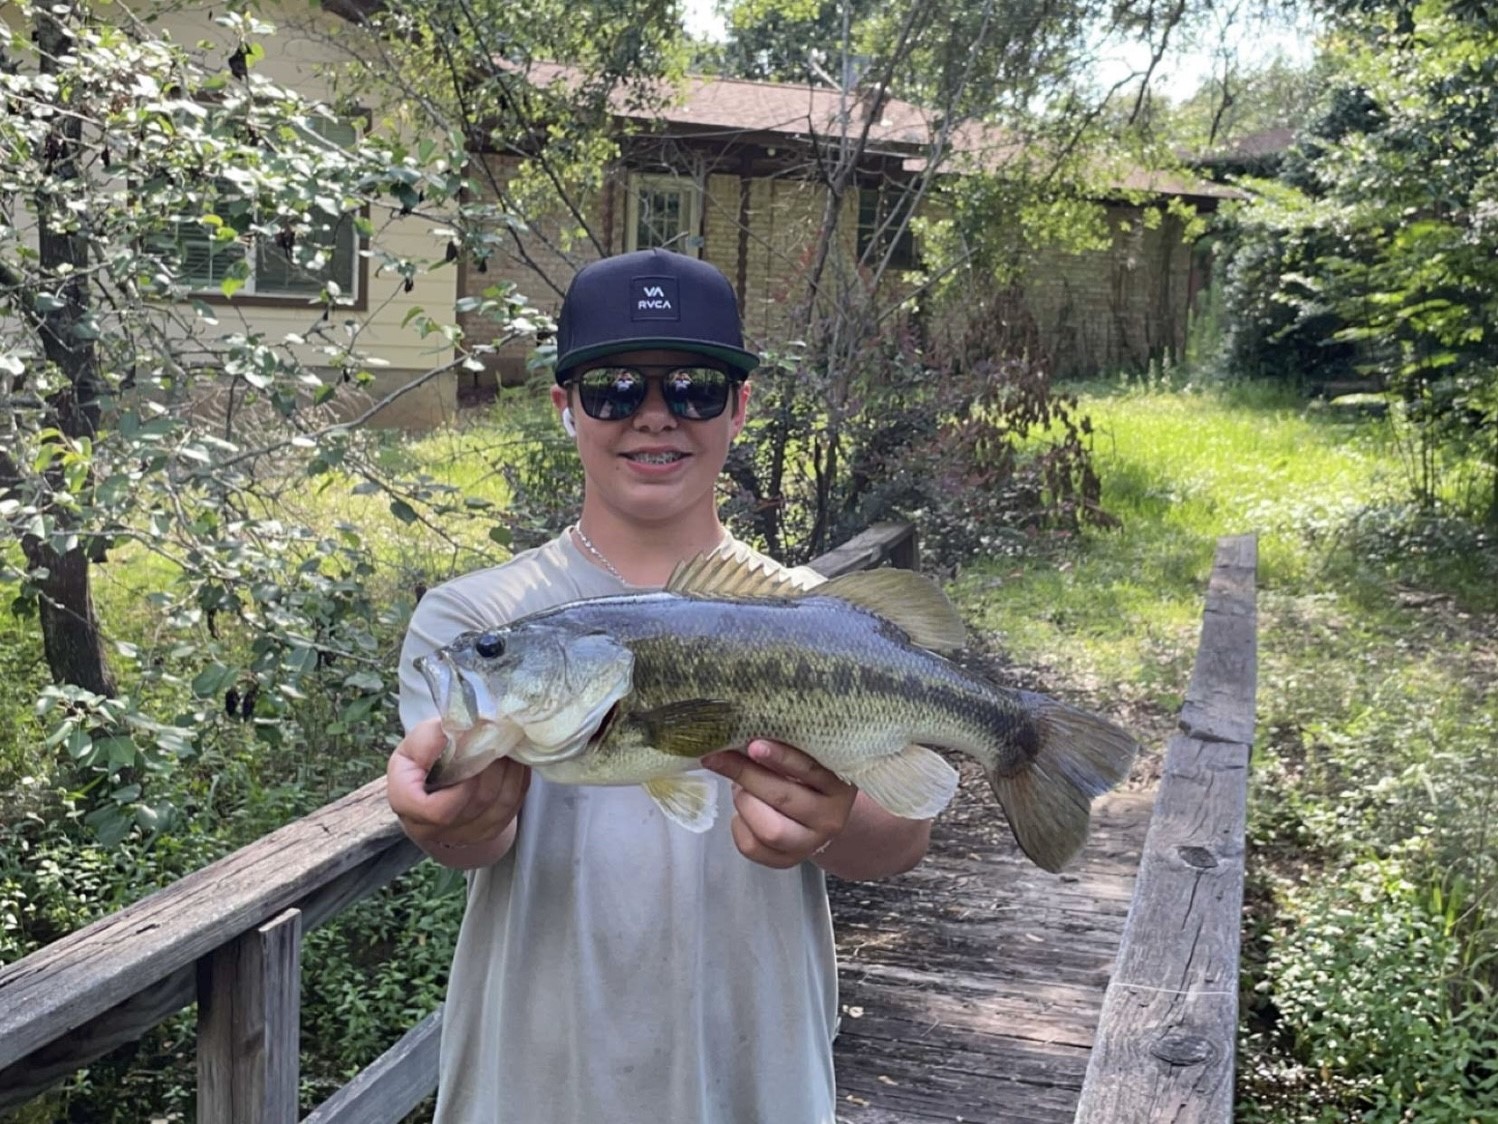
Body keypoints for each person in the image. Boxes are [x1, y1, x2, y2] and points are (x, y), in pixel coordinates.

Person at [387, 248, 932, 1124]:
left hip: (752, 1070)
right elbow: (470, 840)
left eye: (692, 388)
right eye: (611, 389)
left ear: (739, 409)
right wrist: (445, 822)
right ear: (565, 407)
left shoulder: (808, 618)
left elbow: (898, 841)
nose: (653, 417)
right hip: (537, 1074)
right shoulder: (473, 621)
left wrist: (833, 823)